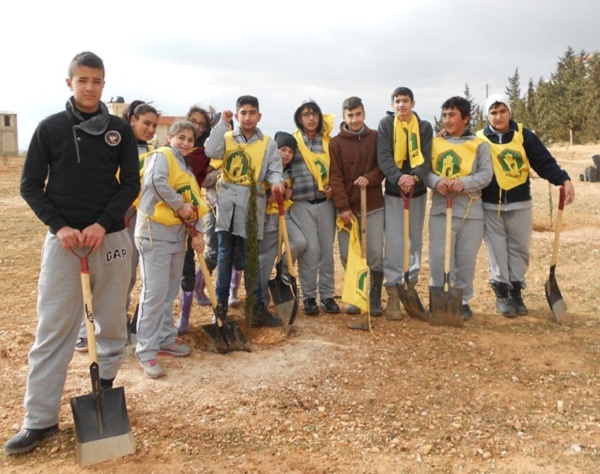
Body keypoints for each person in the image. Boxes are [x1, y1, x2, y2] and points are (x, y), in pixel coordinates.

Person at [5, 51, 140, 454]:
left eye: (97, 81)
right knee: (53, 330)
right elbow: (30, 185)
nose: (90, 87)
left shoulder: (119, 130)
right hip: (65, 244)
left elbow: (130, 183)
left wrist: (103, 224)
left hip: (110, 239)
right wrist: (60, 227)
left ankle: (103, 396)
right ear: (69, 83)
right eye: (82, 80)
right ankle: (40, 419)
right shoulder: (50, 128)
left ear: (103, 85)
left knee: (113, 324)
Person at [477, 93, 575, 317]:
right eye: (493, 112)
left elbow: (543, 162)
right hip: (491, 205)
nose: (499, 116)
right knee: (497, 250)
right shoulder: (479, 138)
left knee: (519, 249)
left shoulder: (524, 135)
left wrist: (564, 179)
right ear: (487, 116)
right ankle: (502, 293)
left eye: (503, 111)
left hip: (520, 202)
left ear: (510, 112)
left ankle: (516, 291)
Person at [74, 99, 159, 352]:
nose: (151, 129)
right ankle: (84, 331)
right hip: (104, 218)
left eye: (155, 125)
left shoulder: (153, 152)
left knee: (124, 275)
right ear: (132, 120)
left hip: (135, 220)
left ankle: (116, 325)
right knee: (93, 274)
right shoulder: (113, 145)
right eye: (146, 123)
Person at [204, 95, 285, 327]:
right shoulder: (227, 137)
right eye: (243, 113)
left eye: (252, 113)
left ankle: (257, 307)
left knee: (251, 258)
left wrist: (277, 181)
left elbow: (274, 170)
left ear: (259, 116)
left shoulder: (268, 143)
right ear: (237, 116)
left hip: (252, 205)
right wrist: (221, 123)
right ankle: (219, 308)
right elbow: (211, 150)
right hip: (227, 204)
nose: (247, 117)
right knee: (224, 256)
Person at [135, 121, 207, 378]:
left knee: (168, 292)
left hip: (177, 237)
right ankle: (145, 350)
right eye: (181, 138)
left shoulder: (184, 166)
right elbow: (155, 182)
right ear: (170, 137)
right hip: (154, 234)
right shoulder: (163, 156)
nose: (186, 143)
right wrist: (178, 206)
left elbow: (194, 202)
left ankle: (165, 338)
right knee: (153, 294)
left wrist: (197, 232)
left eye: (190, 140)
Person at [425, 96, 493, 320]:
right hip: (441, 211)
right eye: (444, 115)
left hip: (470, 213)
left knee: (465, 259)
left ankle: (462, 301)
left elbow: (486, 174)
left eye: (452, 115)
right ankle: (439, 299)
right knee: (438, 258)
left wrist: (464, 184)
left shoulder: (480, 145)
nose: (447, 119)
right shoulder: (435, 143)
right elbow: (424, 170)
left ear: (465, 118)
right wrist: (436, 181)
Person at [377, 87, 432, 320]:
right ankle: (393, 292)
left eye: (405, 101)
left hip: (417, 193)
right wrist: (399, 177)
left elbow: (428, 157)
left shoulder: (424, 127)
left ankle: (411, 285)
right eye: (397, 101)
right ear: (392, 104)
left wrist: (415, 176)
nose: (401, 105)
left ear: (413, 103)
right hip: (393, 192)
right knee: (395, 242)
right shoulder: (387, 125)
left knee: (414, 240)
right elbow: (384, 156)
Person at [329, 96, 385, 315]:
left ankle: (374, 299)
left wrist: (369, 178)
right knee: (347, 253)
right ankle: (355, 296)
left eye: (358, 114)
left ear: (364, 114)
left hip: (372, 204)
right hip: (348, 208)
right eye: (350, 115)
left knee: (374, 252)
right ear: (344, 117)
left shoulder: (375, 137)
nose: (355, 119)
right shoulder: (336, 143)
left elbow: (383, 166)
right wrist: (342, 206)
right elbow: (335, 176)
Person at [287, 99, 340, 316]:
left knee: (326, 251)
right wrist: (286, 183)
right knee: (310, 250)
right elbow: (282, 165)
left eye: (314, 114)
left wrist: (333, 187)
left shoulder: (329, 143)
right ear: (299, 119)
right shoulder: (292, 141)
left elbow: (337, 169)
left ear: (319, 118)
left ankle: (327, 295)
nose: (310, 118)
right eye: (306, 114)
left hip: (326, 203)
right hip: (301, 203)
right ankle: (309, 296)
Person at [176, 105, 214, 335]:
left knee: (189, 263)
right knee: (174, 268)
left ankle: (184, 319)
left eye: (202, 124)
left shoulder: (203, 153)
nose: (197, 127)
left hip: (192, 214)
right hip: (168, 218)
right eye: (194, 121)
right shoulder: (170, 152)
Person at [258, 131, 297, 308]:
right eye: (283, 149)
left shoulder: (288, 172)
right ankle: (261, 301)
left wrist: (287, 194)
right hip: (265, 219)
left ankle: (281, 269)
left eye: (291, 151)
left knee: (299, 242)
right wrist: (271, 197)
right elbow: (259, 195)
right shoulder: (265, 167)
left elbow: (285, 193)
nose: (287, 154)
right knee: (264, 260)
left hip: (279, 217)